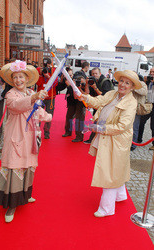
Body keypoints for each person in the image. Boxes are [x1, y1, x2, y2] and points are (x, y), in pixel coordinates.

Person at [0, 60, 52, 223]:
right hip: (16, 136)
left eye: (21, 77)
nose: (19, 80)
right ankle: (11, 204)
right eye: (15, 77)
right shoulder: (11, 94)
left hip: (31, 135)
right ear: (12, 80)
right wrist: (34, 97)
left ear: (27, 78)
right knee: (15, 165)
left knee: (28, 164)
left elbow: (37, 109)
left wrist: (48, 116)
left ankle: (26, 194)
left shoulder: (30, 92)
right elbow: (17, 106)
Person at [77, 70, 142, 217]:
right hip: (106, 136)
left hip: (116, 140)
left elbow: (122, 126)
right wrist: (84, 96)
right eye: (121, 81)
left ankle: (107, 209)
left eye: (127, 83)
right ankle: (121, 195)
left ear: (132, 87)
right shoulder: (112, 94)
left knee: (109, 172)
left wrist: (99, 128)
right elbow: (98, 101)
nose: (123, 85)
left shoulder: (131, 102)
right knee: (116, 169)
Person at [84, 67, 113, 144]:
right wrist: (87, 84)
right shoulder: (93, 81)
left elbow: (105, 97)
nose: (94, 75)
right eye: (93, 74)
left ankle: (94, 140)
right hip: (98, 104)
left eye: (96, 73)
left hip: (106, 105)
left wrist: (95, 88)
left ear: (100, 74)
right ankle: (94, 140)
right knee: (96, 121)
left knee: (99, 122)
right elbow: (88, 94)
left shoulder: (105, 82)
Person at [36, 57, 58, 139]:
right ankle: (37, 131)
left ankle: (46, 132)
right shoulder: (38, 70)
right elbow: (37, 83)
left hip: (50, 97)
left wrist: (49, 77)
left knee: (49, 115)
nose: (46, 68)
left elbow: (55, 83)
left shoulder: (54, 71)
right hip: (40, 97)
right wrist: (40, 75)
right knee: (38, 114)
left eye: (48, 66)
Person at [138, 67, 154, 150]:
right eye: (150, 71)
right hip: (148, 104)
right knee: (141, 122)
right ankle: (138, 139)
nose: (151, 73)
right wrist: (145, 82)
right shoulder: (148, 81)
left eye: (153, 72)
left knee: (153, 125)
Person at [131, 75, 147, 151]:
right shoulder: (130, 83)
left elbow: (144, 92)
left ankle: (133, 144)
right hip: (129, 108)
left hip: (137, 109)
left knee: (135, 127)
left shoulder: (142, 84)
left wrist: (134, 87)